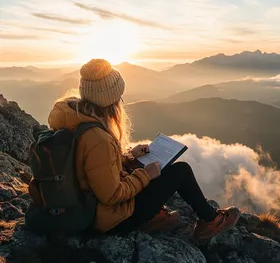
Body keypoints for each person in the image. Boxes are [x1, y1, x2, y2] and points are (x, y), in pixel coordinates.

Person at [42, 59, 241, 242]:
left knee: (140, 167)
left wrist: (128, 157)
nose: (120, 101)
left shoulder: (74, 119)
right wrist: (145, 175)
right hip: (106, 220)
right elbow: (111, 196)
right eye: (118, 97)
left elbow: (91, 167)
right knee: (181, 171)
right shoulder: (98, 138)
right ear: (109, 100)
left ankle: (154, 216)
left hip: (87, 205)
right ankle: (211, 221)